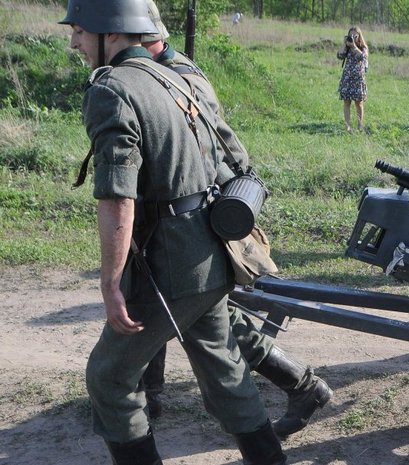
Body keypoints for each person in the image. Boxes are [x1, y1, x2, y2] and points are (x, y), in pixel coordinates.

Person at [60, 0, 287, 462]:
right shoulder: (174, 76)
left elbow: (118, 197)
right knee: (225, 371)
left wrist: (110, 282)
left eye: (80, 30)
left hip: (170, 268)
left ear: (111, 32)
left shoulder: (113, 89)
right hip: (212, 255)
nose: (74, 42)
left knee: (109, 377)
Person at [138, 0, 332, 439]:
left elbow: (203, 154)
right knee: (188, 307)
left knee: (187, 308)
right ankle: (150, 395)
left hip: (200, 218)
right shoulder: (165, 71)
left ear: (144, 39)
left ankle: (300, 387)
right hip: (187, 218)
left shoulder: (176, 76)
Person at [338, 26, 369, 133]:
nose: (353, 37)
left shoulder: (363, 47)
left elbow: (363, 57)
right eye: (351, 35)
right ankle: (347, 126)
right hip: (347, 78)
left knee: (358, 103)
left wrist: (354, 47)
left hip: (358, 79)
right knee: (346, 102)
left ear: (359, 36)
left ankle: (360, 126)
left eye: (355, 36)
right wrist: (344, 44)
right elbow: (339, 56)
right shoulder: (347, 47)